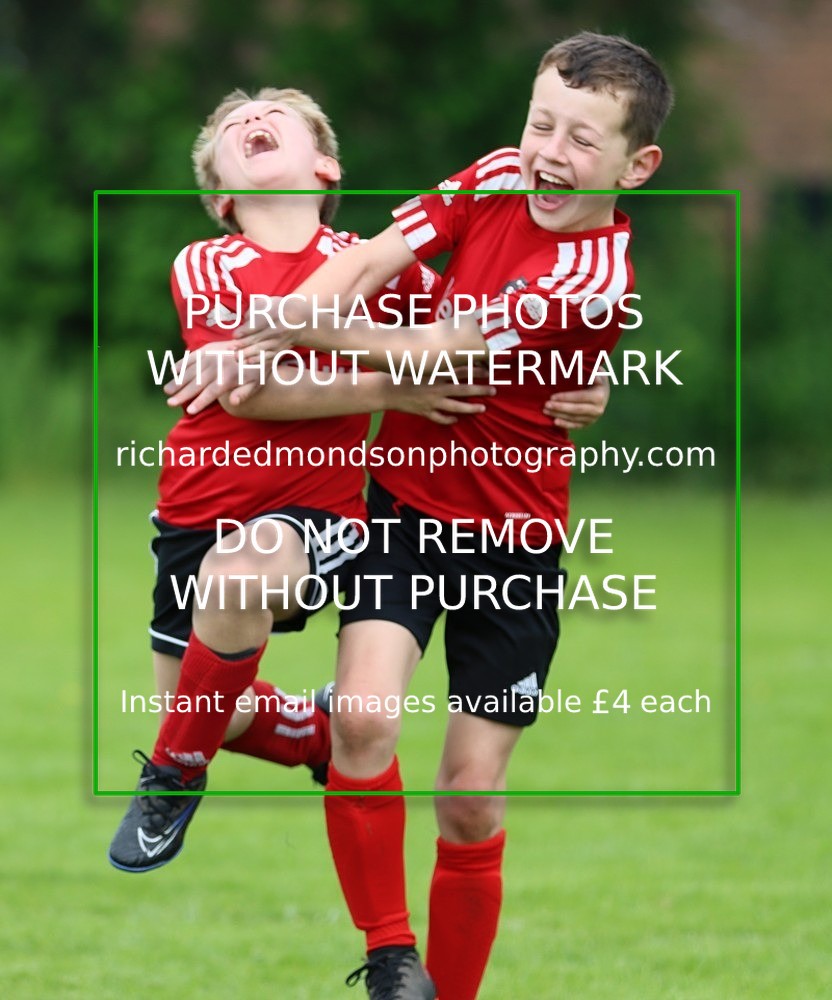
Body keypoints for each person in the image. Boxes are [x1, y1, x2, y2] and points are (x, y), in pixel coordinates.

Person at [236, 32, 673, 999]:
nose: (548, 154)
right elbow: (372, 265)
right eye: (539, 122)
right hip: (400, 507)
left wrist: (289, 330)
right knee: (362, 720)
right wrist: (296, 320)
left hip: (511, 543)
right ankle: (391, 956)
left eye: (583, 140)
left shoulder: (591, 277)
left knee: (469, 797)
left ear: (638, 166)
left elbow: (436, 348)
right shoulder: (498, 174)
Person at [107, 86, 494, 873]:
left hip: (312, 513)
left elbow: (475, 337)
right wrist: (390, 381)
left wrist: (590, 383)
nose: (251, 119)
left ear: (324, 168)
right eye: (229, 126)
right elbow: (255, 395)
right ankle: (316, 734)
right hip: (192, 514)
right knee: (214, 712)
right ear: (218, 194)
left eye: (276, 115)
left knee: (240, 578)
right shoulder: (205, 263)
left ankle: (172, 777)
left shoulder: (372, 266)